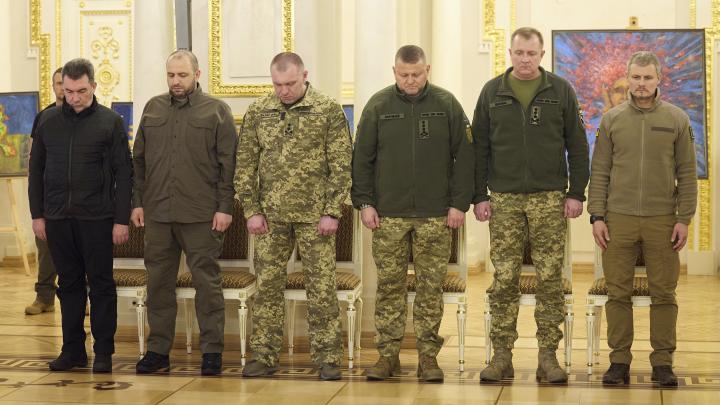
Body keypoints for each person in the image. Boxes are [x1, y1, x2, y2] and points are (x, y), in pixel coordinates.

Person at [472, 27, 589, 384]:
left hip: (549, 197)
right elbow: (478, 148)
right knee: (503, 279)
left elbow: (578, 145)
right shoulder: (492, 92)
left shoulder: (561, 91)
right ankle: (501, 356)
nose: (525, 60)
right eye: (519, 53)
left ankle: (548, 357)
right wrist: (479, 195)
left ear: (541, 55)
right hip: (504, 198)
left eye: (531, 54)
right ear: (510, 53)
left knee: (551, 278)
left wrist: (576, 192)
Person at [351, 45, 474, 383]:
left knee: (430, 288)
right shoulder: (378, 106)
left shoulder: (447, 104)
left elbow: (464, 157)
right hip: (388, 215)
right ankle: (387, 356)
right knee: (389, 287)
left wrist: (458, 204)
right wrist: (365, 202)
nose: (410, 81)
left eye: (416, 74)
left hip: (436, 214)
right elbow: (361, 159)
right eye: (403, 75)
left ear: (427, 69)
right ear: (394, 72)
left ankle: (428, 359)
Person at [235, 52, 352, 381]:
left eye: (289, 83)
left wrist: (333, 211)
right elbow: (244, 165)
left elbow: (342, 163)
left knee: (321, 288)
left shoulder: (327, 109)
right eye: (277, 84)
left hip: (316, 218)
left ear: (305, 76)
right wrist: (251, 210)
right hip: (270, 218)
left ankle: (328, 358)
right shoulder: (259, 110)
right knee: (268, 287)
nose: (283, 90)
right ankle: (263, 355)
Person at [588, 51, 697, 387]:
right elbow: (601, 170)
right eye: (636, 77)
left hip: (663, 220)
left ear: (658, 79)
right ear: (628, 78)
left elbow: (687, 172)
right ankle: (618, 361)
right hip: (617, 220)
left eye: (648, 77)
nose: (641, 83)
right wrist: (597, 215)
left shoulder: (677, 119)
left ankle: (663, 363)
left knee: (664, 294)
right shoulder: (612, 120)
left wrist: (684, 218)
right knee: (617, 294)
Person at [132, 50, 237, 376]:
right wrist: (137, 201)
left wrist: (224, 207)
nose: (176, 81)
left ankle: (211, 352)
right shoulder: (153, 108)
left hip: (201, 214)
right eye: (171, 75)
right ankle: (158, 351)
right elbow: (138, 161)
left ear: (197, 74)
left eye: (182, 75)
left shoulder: (216, 111)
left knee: (207, 284)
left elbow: (228, 166)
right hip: (158, 214)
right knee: (159, 284)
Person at [28, 58, 132, 373]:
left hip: (97, 218)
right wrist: (37, 215)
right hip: (57, 218)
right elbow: (36, 171)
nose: (74, 97)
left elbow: (124, 174)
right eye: (68, 91)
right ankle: (72, 350)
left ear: (94, 87)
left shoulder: (110, 122)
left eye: (81, 91)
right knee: (68, 286)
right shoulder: (46, 121)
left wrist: (121, 219)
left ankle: (103, 353)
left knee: (100, 286)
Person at [25, 67, 63, 316]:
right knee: (46, 249)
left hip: (82, 198)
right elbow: (33, 157)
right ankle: (45, 297)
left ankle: (84, 299)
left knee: (82, 252)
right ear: (53, 86)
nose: (62, 88)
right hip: (49, 195)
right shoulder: (44, 117)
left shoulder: (96, 115)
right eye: (58, 83)